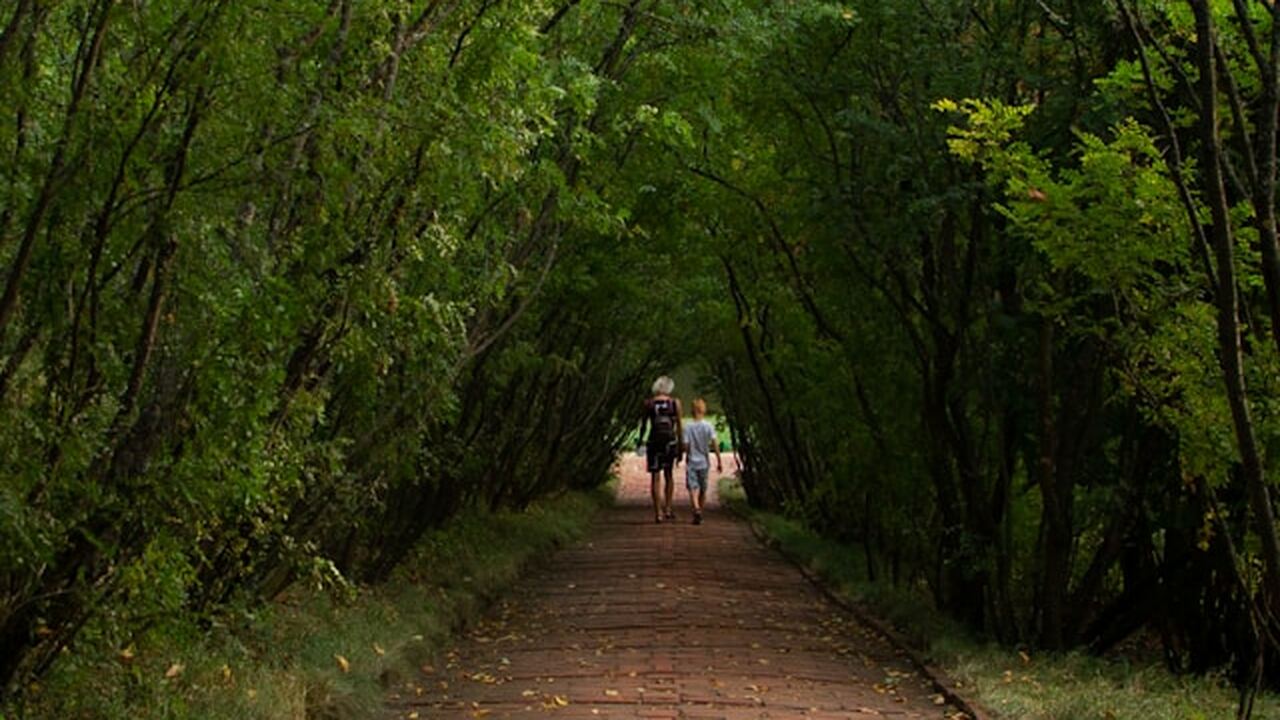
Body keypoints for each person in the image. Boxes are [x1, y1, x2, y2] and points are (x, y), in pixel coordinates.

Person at [639, 376, 682, 523]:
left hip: (654, 441)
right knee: (669, 475)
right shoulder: (674, 403)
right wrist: (681, 446)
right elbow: (680, 426)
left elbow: (644, 425)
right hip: (669, 441)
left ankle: (658, 512)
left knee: (655, 477)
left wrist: (640, 441)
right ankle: (668, 508)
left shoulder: (648, 403)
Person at [682, 398, 722, 525]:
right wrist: (719, 460)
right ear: (703, 410)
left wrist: (686, 455)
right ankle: (700, 511)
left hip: (692, 461)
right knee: (703, 488)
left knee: (693, 488)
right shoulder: (708, 426)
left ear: (692, 410)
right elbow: (714, 443)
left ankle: (696, 509)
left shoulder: (688, 426)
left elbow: (686, 445)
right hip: (704, 462)